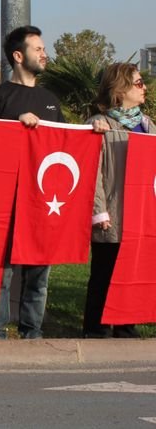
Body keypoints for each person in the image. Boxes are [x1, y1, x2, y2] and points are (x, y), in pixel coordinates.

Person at [0, 25, 65, 340]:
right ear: (18, 56)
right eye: (37, 49)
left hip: (43, 201)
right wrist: (14, 126)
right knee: (0, 273)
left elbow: (65, 146)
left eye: (43, 49)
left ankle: (32, 332)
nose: (44, 54)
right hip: (3, 200)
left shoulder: (50, 100)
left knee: (39, 275)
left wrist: (92, 131)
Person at [83, 63, 152, 339]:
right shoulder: (99, 124)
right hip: (112, 214)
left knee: (131, 274)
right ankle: (96, 329)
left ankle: (125, 327)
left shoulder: (147, 125)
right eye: (139, 83)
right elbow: (92, 172)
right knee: (104, 274)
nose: (144, 88)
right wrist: (99, 211)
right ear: (120, 89)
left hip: (140, 216)